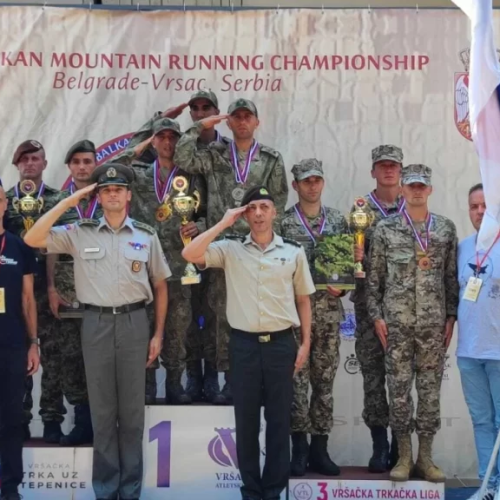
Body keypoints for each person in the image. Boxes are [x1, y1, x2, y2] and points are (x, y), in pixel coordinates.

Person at [24, 163, 171, 500]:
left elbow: (161, 285)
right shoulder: (80, 231)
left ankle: (130, 490)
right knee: (103, 412)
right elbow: (32, 238)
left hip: (135, 323)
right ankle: (106, 490)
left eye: (119, 188)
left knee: (132, 414)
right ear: (98, 197)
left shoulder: (146, 235)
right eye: (106, 190)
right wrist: (68, 202)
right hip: (96, 324)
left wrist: (158, 333)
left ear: (129, 194)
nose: (113, 194)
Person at [182, 185, 314, 500]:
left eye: (263, 207)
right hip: (243, 346)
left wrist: (306, 343)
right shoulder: (230, 248)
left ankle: (273, 491)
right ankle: (251, 491)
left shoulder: (293, 251)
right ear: (244, 214)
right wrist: (224, 223)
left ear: (274, 211)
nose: (257, 214)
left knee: (280, 421)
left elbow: (303, 300)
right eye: (251, 208)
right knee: (246, 423)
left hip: (282, 344)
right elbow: (190, 254)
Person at [174, 98, 289, 405]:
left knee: (251, 315)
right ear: (228, 122)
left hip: (254, 249)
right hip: (220, 247)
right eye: (236, 117)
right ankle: (224, 379)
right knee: (217, 314)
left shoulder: (270, 157)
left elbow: (278, 200)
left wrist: (264, 237)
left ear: (256, 122)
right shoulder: (214, 154)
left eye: (247, 117)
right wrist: (202, 125)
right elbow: (183, 157)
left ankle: (244, 378)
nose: (241, 122)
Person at [367, 164, 459, 482]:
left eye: (422, 186)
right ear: (403, 190)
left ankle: (426, 458)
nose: (417, 190)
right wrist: (377, 316)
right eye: (412, 186)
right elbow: (374, 279)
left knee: (430, 393)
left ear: (430, 190)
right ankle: (404, 457)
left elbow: (451, 277)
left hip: (433, 327)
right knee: (400, 392)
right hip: (398, 326)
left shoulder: (445, 229)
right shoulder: (384, 229)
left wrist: (451, 316)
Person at [114, 117, 208, 404]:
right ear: (153, 141)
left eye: (172, 138)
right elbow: (114, 166)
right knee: (144, 326)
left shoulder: (192, 176)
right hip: (142, 266)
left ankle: (175, 384)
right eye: (161, 137)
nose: (167, 143)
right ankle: (147, 385)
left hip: (180, 266)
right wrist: (143, 138)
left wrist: (200, 227)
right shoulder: (139, 173)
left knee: (179, 326)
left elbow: (206, 213)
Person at [281, 159, 362, 477]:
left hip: (328, 315)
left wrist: (342, 288)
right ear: (295, 186)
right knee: (296, 386)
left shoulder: (340, 221)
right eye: (305, 181)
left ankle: (320, 450)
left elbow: (345, 276)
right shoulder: (284, 223)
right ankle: (298, 450)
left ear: (322, 183)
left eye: (316, 180)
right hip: (293, 319)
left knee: (324, 385)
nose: (312, 185)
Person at [351, 144, 405, 472]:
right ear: (373, 170)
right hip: (367, 308)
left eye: (394, 165)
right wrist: (352, 258)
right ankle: (378, 445)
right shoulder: (360, 210)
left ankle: (402, 447)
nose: (388, 170)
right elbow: (344, 262)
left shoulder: (413, 207)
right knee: (373, 377)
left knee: (401, 380)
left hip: (405, 309)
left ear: (401, 169)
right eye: (382, 165)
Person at [5, 139, 62, 442]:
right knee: (18, 358)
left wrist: (53, 286)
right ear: (16, 164)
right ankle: (21, 418)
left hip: (45, 289)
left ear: (44, 163)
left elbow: (58, 246)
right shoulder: (4, 202)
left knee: (50, 355)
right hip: (14, 293)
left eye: (35, 158)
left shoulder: (56, 199)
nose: (30, 164)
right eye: (24, 159)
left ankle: (51, 418)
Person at [45, 140, 101, 446]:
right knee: (70, 358)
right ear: (69, 166)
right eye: (77, 161)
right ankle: (81, 423)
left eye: (87, 161)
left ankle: (101, 424)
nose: (82, 167)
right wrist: (51, 287)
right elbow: (51, 247)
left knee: (99, 358)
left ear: (96, 165)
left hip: (100, 293)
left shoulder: (108, 197)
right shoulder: (57, 200)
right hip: (67, 292)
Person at [457, 183, 500, 500]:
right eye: (474, 206)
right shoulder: (463, 247)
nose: (480, 211)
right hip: (469, 351)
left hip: (499, 352)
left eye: (486, 205)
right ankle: (489, 485)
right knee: (483, 422)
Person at [0, 184, 40, 500]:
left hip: (11, 345)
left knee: (11, 417)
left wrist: (33, 343)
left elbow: (28, 300)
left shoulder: (17, 246)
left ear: (5, 204)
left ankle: (10, 484)